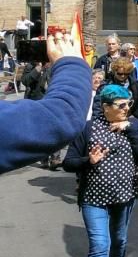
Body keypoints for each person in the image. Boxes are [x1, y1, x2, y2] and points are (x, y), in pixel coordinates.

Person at [63, 85, 138, 257]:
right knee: (100, 244)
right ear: (105, 108)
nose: (126, 109)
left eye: (128, 104)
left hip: (125, 196)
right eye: (121, 105)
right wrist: (88, 161)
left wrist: (130, 127)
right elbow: (68, 162)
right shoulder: (88, 129)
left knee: (120, 239)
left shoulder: (133, 125)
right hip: (93, 199)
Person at [0, 35, 93, 175]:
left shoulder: (54, 67)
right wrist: (69, 65)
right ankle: (44, 158)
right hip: (35, 101)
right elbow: (60, 116)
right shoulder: (31, 66)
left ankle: (54, 158)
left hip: (48, 100)